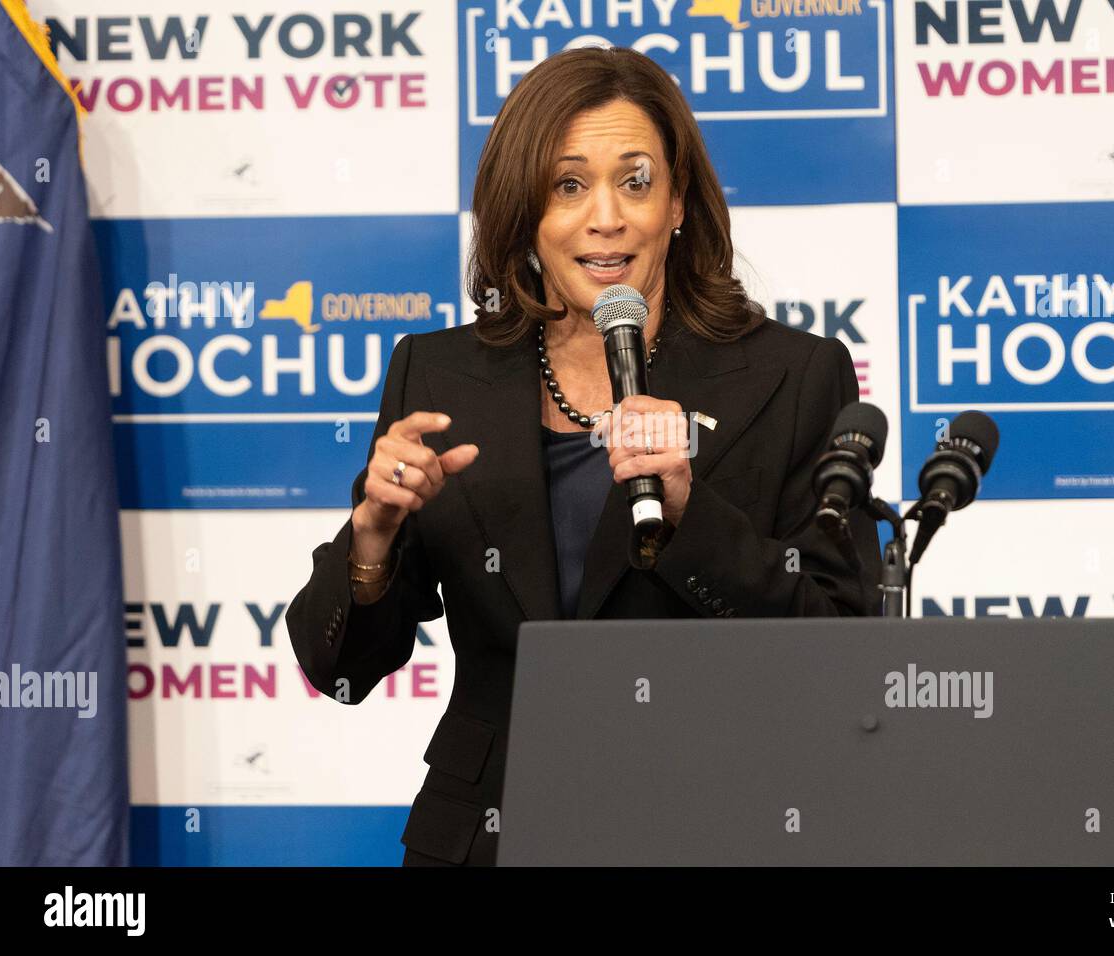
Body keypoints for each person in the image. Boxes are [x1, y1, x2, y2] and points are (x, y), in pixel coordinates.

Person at [286, 46, 883, 867]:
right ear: (522, 211)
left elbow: (845, 654)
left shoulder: (790, 376)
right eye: (568, 186)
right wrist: (373, 539)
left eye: (636, 181)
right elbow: (341, 668)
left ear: (678, 202)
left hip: (722, 828)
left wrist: (688, 516)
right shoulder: (439, 374)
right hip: (491, 835)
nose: (607, 217)